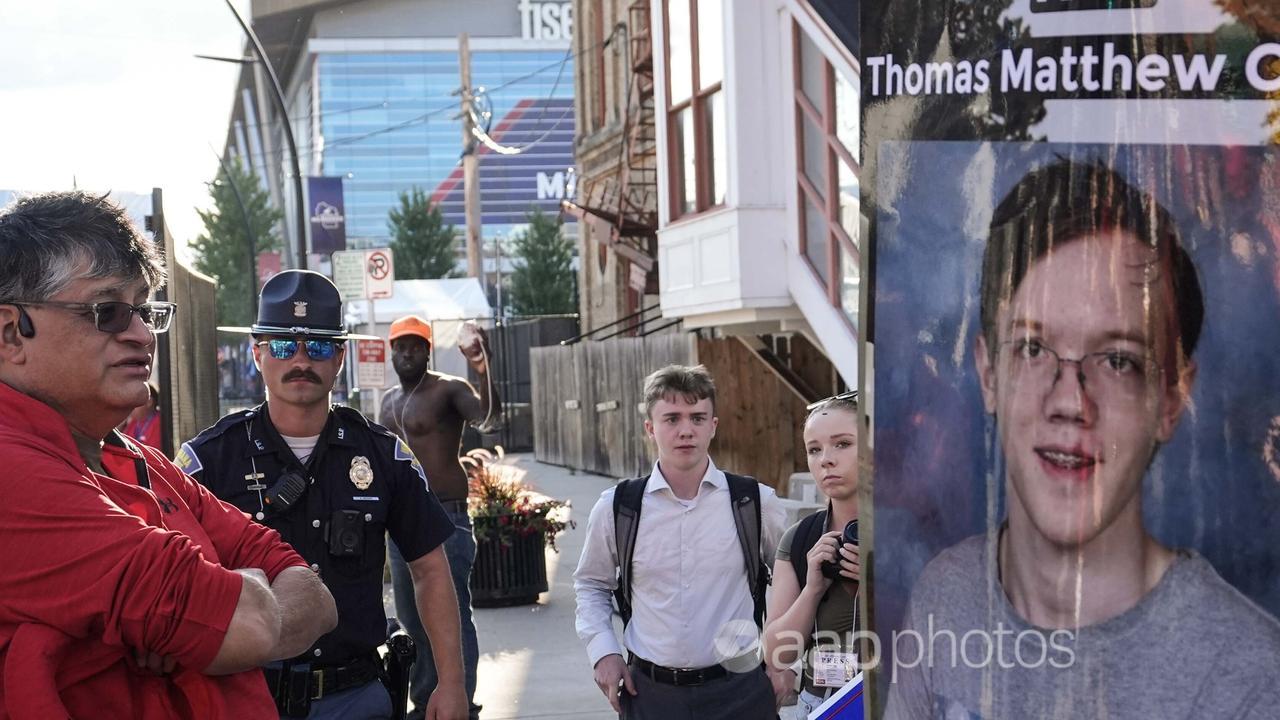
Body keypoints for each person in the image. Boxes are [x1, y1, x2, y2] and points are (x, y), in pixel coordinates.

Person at [884, 158, 1280, 719]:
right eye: (1032, 348)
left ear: (1172, 398)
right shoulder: (945, 596)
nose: (1069, 400)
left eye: (1118, 360)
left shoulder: (1252, 678)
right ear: (988, 373)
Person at [0, 191, 337, 718]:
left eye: (144, 309)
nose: (141, 334)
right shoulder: (13, 474)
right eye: (107, 311)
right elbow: (244, 623)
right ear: (10, 334)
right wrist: (243, 588)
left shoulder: (143, 462)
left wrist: (213, 620)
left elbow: (314, 595)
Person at [177, 271, 468, 720]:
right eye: (281, 346)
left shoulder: (383, 454)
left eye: (316, 346)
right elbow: (174, 576)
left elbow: (429, 570)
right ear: (257, 354)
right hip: (247, 697)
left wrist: (450, 683)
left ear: (339, 357)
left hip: (354, 697)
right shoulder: (210, 460)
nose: (300, 360)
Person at [573, 364, 786, 720]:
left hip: (742, 691)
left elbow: (790, 582)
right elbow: (591, 584)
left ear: (713, 426)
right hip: (651, 695)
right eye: (672, 418)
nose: (686, 430)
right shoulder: (619, 506)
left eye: (698, 418)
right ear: (650, 429)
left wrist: (785, 663)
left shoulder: (753, 501)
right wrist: (603, 651)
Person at [379, 314, 497, 720]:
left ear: (427, 351)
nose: (407, 352)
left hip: (447, 520)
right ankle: (427, 700)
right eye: (400, 346)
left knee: (452, 613)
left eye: (414, 345)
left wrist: (484, 371)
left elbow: (489, 418)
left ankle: (462, 702)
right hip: (401, 527)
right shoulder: (388, 401)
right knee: (412, 617)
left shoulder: (448, 389)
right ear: (391, 351)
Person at [763, 391, 861, 718]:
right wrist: (812, 589)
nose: (826, 459)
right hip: (821, 705)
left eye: (843, 444)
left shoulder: (913, 534)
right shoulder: (801, 538)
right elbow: (776, 653)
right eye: (814, 450)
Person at [122, 381, 162, 449]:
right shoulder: (133, 422)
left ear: (149, 402)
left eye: (133, 401)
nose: (129, 406)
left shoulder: (159, 421)